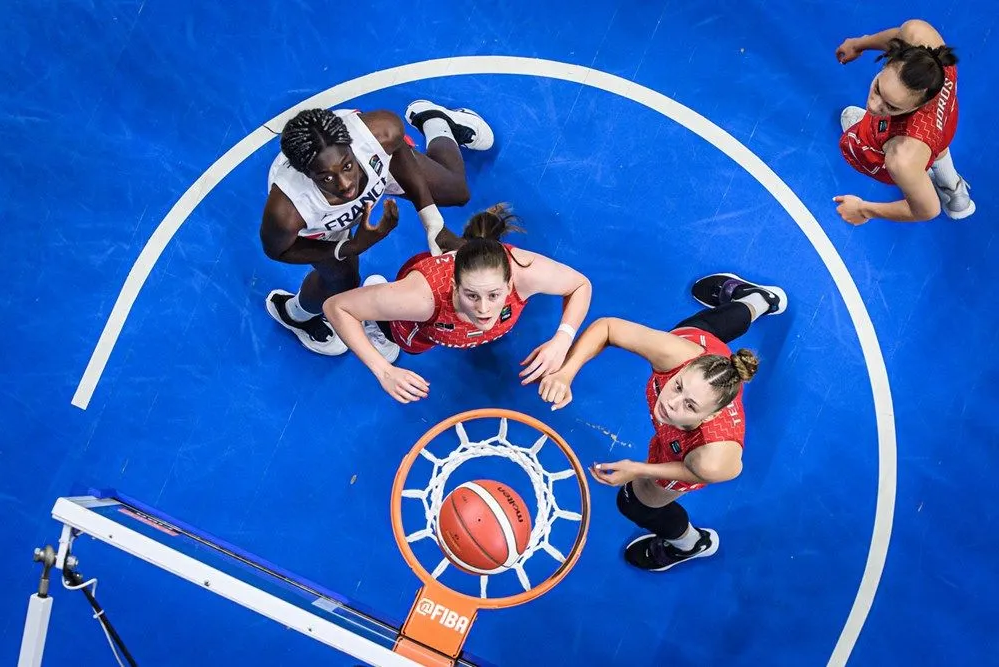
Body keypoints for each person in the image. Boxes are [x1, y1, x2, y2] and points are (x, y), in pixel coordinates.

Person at [536, 273, 787, 572]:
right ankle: (759, 300)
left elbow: (711, 471)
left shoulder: (713, 454)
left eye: (689, 405)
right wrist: (566, 372)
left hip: (684, 454)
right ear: (686, 367)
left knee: (635, 502)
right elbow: (607, 328)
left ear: (707, 416)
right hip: (699, 349)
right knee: (698, 328)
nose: (670, 402)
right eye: (678, 387)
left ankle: (690, 544)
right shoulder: (676, 354)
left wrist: (637, 469)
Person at [260, 101, 494, 356]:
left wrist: (432, 221)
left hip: (375, 174)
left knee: (456, 191)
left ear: (350, 146)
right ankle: (295, 314)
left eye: (347, 166)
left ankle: (436, 121)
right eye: (326, 177)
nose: (346, 184)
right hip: (323, 224)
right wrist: (350, 247)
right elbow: (278, 251)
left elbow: (399, 152)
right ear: (307, 174)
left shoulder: (381, 130)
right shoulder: (288, 211)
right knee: (342, 283)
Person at [323, 204, 592, 403]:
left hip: (446, 323)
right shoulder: (422, 299)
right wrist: (384, 371)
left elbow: (581, 285)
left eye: (494, 295)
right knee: (401, 341)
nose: (484, 309)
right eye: (472, 295)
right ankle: (378, 311)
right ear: (455, 287)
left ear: (510, 285)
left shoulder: (526, 273)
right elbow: (336, 307)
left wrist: (563, 339)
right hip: (413, 322)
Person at [834, 19, 974, 224]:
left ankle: (876, 140)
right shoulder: (921, 35)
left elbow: (927, 210)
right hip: (945, 122)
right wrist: (859, 43)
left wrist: (864, 210)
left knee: (905, 167)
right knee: (937, 145)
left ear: (919, 106)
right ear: (890, 60)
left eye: (891, 107)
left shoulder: (902, 158)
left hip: (911, 144)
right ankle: (954, 191)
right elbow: (898, 38)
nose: (873, 106)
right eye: (878, 89)